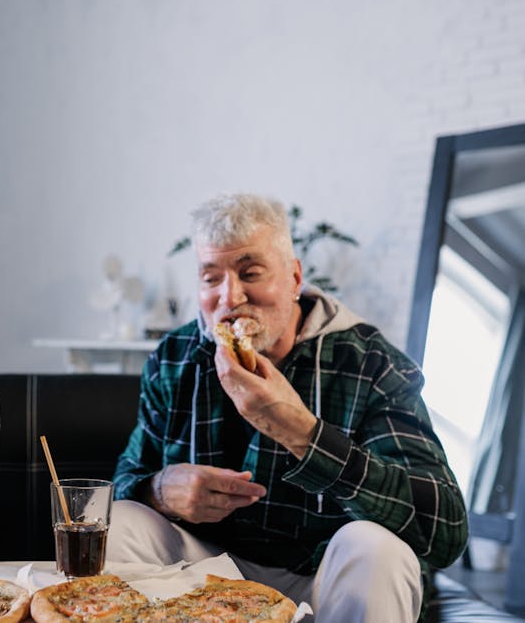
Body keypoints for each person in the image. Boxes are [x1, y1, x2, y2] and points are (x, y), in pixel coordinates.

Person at [108, 193, 468, 622]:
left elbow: (444, 528)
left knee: (377, 549)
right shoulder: (175, 356)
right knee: (121, 523)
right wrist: (161, 490)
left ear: (295, 278)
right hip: (205, 568)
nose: (230, 297)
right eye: (211, 278)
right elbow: (127, 476)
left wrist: (299, 430)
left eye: (250, 273)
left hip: (321, 575)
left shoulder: (371, 363)